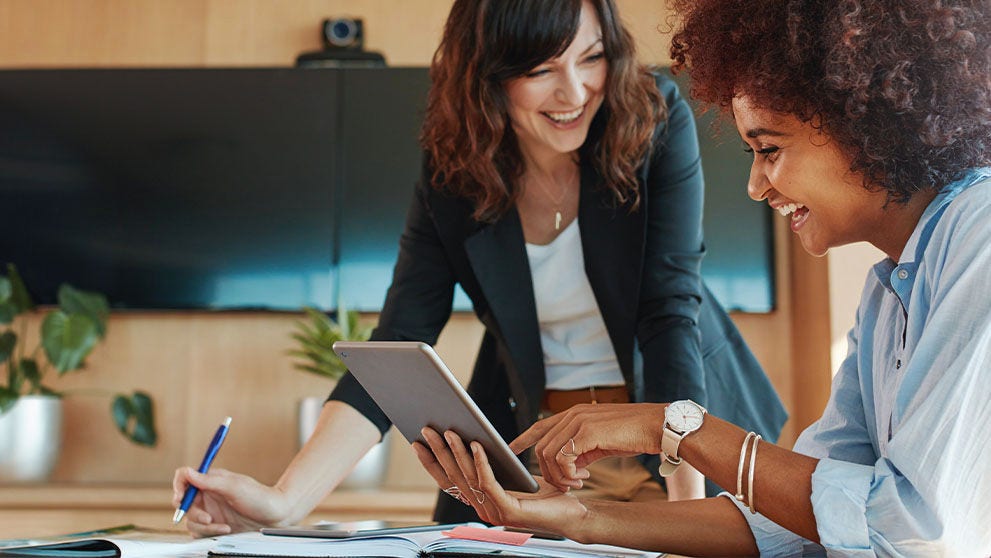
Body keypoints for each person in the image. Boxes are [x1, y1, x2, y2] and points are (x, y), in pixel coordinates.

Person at [172, 0, 786, 536]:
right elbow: (397, 342)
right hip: (544, 457)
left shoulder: (651, 117)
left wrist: (690, 509)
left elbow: (667, 311)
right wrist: (283, 502)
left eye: (591, 57)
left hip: (678, 441)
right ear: (488, 76)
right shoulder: (455, 169)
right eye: (541, 69)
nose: (574, 92)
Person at [414, 0, 991, 555]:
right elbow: (801, 523)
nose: (756, 185)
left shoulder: (980, 234)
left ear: (869, 122)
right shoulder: (886, 293)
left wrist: (675, 426)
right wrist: (576, 519)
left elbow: (911, 529)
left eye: (767, 149)